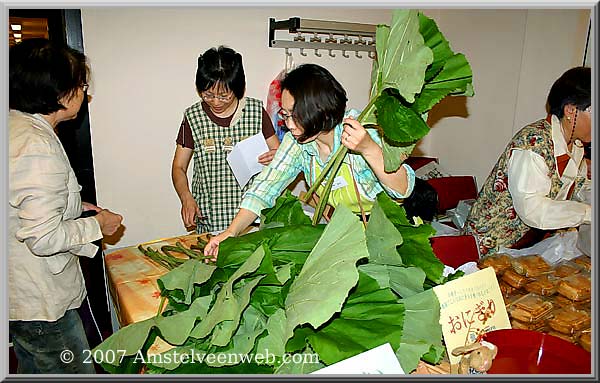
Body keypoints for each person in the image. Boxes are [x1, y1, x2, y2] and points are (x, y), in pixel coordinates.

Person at [205, 63, 416, 258]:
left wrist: (368, 148)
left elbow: (403, 189)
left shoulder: (360, 130)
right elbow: (265, 187)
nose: (289, 124)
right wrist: (231, 232)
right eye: (285, 115)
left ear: (320, 111)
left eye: (295, 116)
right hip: (347, 237)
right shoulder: (297, 142)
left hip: (390, 237)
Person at [8, 38, 123, 373]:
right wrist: (98, 227)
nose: (84, 94)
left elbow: (24, 204)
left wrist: (78, 205)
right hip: (41, 304)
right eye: (81, 84)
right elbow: (43, 237)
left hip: (21, 299)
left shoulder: (16, 127)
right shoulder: (36, 145)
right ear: (58, 92)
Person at [465, 66, 591, 256]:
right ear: (571, 110)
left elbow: (578, 187)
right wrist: (589, 213)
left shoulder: (575, 146)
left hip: (524, 247)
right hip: (489, 250)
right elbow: (534, 210)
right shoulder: (533, 143)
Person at [171, 46, 280, 234]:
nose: (215, 102)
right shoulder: (193, 117)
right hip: (209, 217)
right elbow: (178, 167)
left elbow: (281, 158)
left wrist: (275, 157)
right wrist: (186, 197)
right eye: (208, 95)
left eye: (224, 95)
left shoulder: (254, 112)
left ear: (238, 89)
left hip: (250, 219)